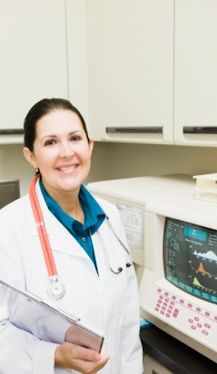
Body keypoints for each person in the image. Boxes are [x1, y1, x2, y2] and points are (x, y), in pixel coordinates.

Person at [0, 98, 143, 373]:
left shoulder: (110, 215)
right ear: (31, 156)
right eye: (50, 142)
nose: (67, 152)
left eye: (75, 138)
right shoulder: (8, 228)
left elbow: (127, 324)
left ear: (89, 146)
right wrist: (52, 355)